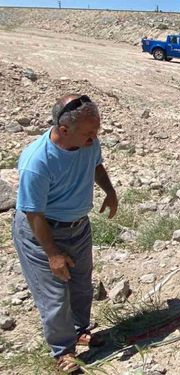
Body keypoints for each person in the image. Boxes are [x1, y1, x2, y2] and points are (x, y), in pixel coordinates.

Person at [12, 94, 118, 373]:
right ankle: (63, 351)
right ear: (63, 130)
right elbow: (33, 213)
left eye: (96, 131)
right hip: (43, 233)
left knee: (82, 284)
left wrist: (109, 191)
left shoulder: (87, 143)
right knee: (55, 295)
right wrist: (53, 254)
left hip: (78, 227)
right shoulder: (37, 162)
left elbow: (96, 164)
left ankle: (80, 330)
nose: (94, 138)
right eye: (88, 133)